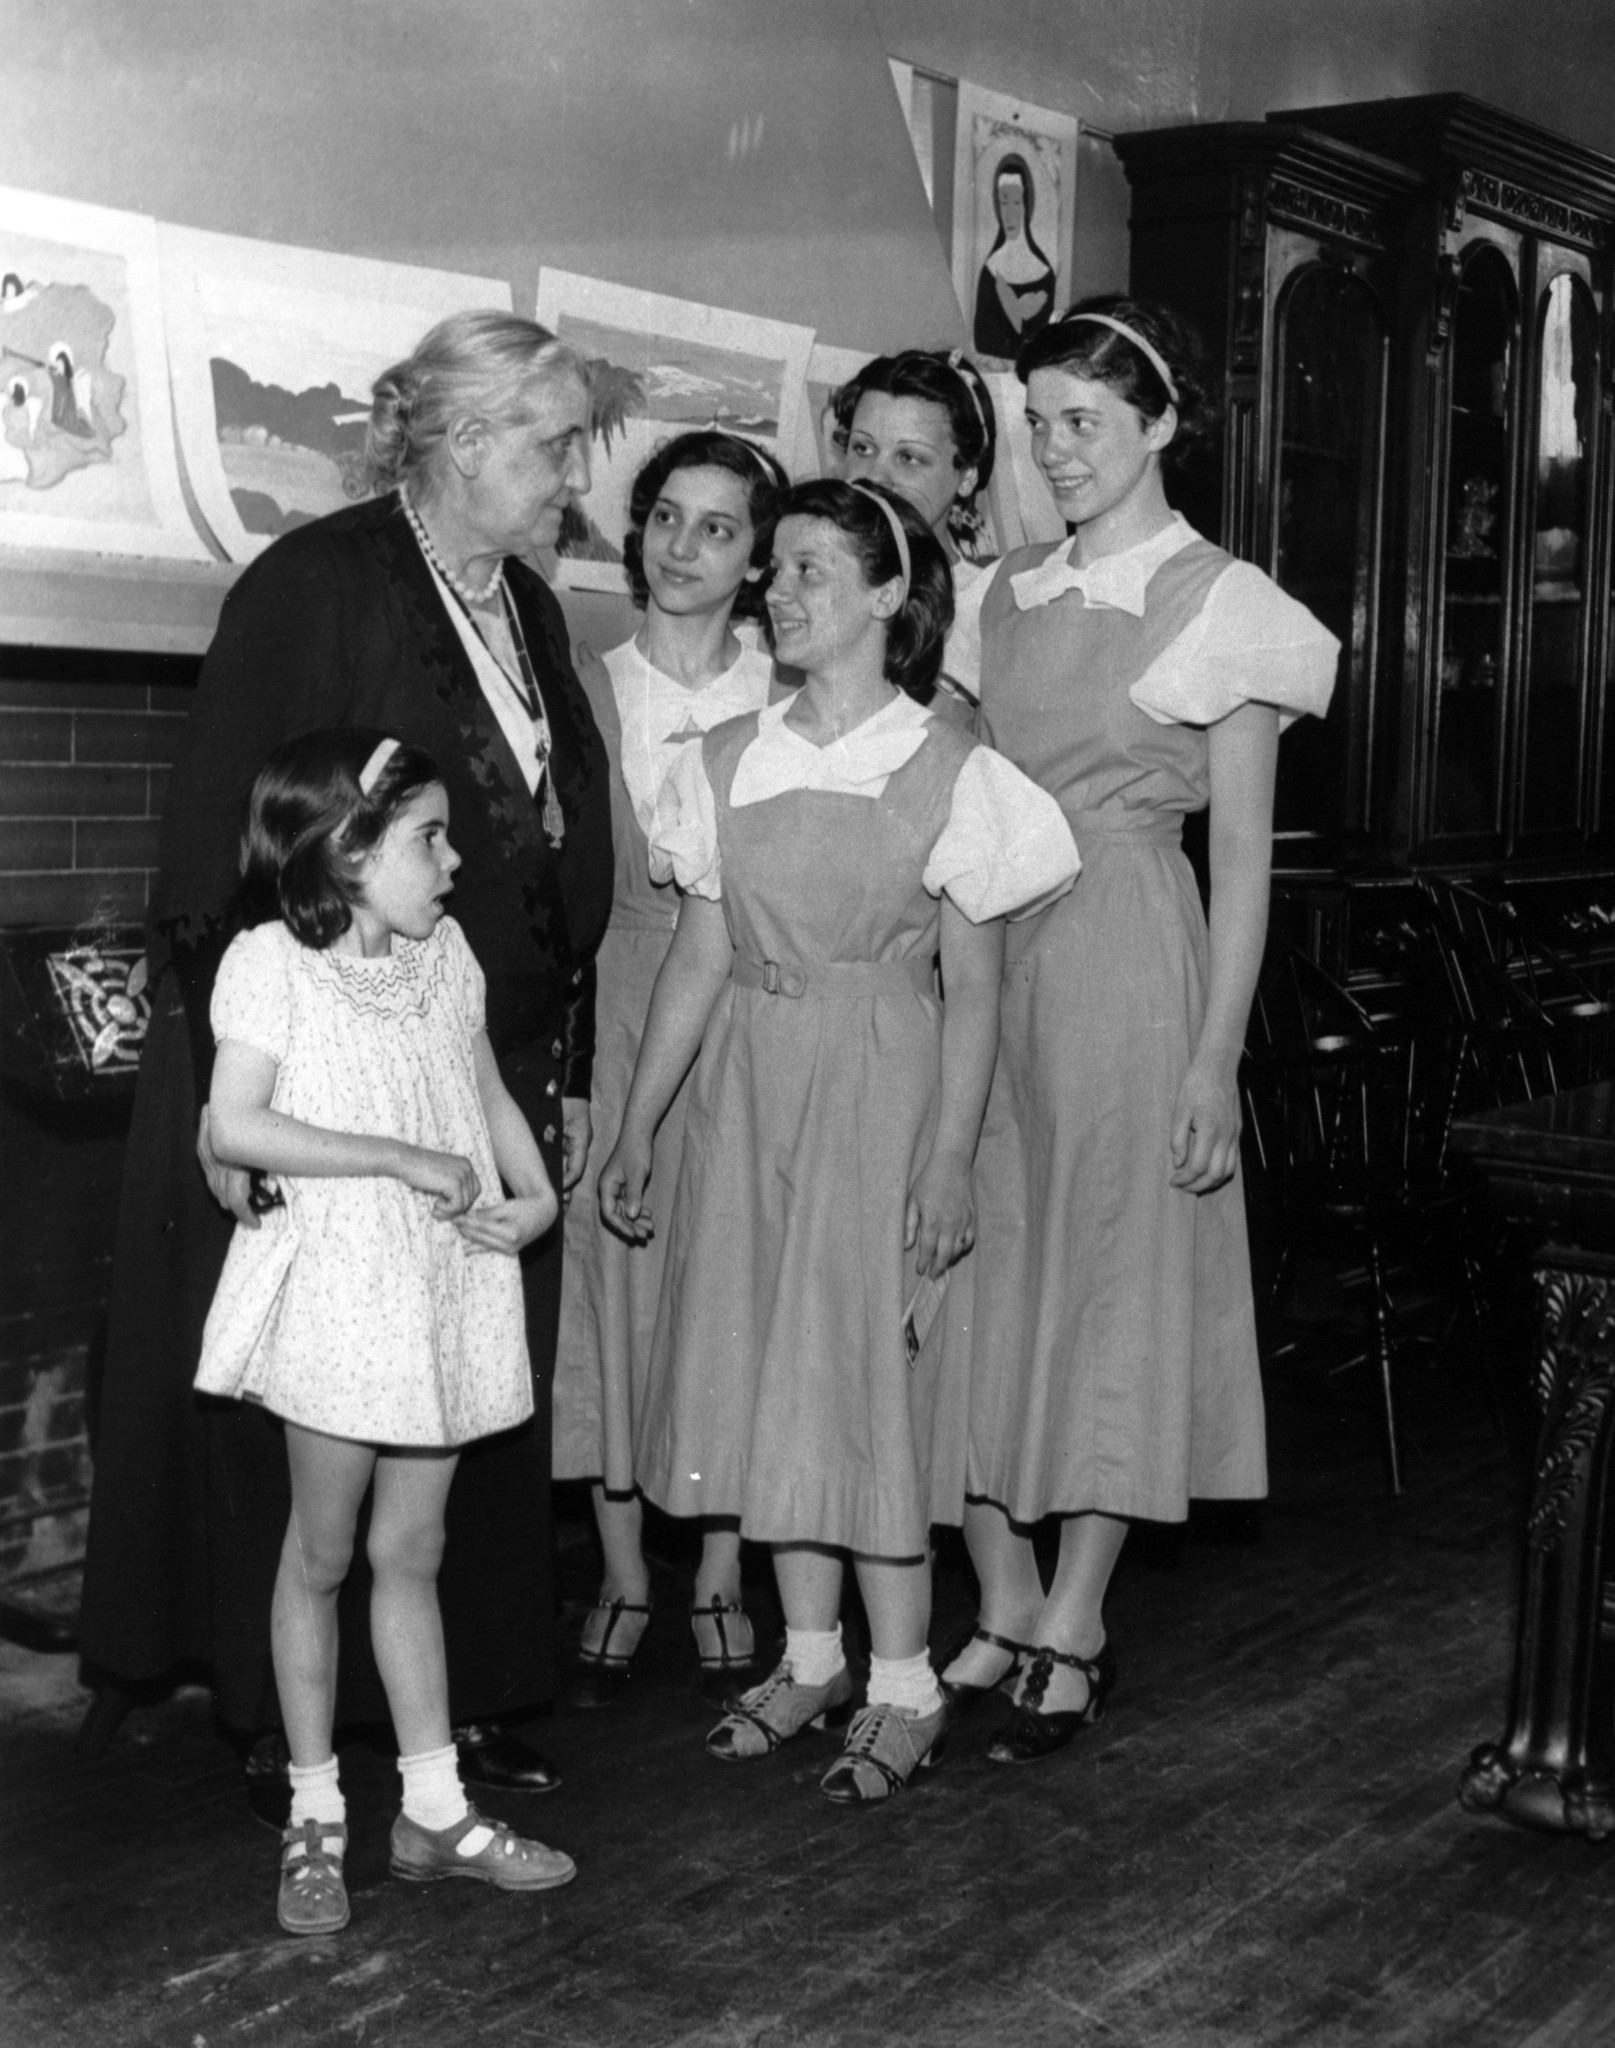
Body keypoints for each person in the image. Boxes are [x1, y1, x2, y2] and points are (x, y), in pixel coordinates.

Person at [77, 310, 613, 1808]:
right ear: (460, 438)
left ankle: (473, 1696)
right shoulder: (314, 585)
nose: (576, 474)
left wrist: (547, 1061)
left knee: (466, 1382)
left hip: (474, 1064)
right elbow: (223, 857)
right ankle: (284, 1719)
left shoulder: (527, 605)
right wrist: (228, 1104)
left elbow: (548, 834)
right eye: (555, 439)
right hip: (323, 1079)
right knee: (313, 1402)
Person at [597, 480, 1079, 1803]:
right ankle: (807, 1658)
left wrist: (945, 1160)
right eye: (780, 570)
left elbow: (972, 990)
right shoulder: (721, 761)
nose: (779, 590)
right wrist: (637, 1124)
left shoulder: (951, 771)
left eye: (812, 570)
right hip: (747, 1089)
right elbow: (699, 954)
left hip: (881, 1092)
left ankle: (902, 1683)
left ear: (886, 597)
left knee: (864, 1385)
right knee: (765, 1374)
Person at [932, 296, 1338, 1762]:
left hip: (1128, 950)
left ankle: (1079, 1610)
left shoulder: (1222, 603)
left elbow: (1239, 862)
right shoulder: (1005, 595)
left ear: (1161, 424)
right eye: (1039, 426)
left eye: (1086, 423)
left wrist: (1212, 1058)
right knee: (978, 1255)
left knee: (1112, 1269)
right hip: (992, 949)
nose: (1059, 451)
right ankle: (1000, 1588)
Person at [199, 730, 574, 1932]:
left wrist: (538, 1194)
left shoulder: (443, 949)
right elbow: (239, 1126)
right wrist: (396, 1155)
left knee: (413, 1552)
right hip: (340, 1291)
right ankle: (316, 1812)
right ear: (349, 851)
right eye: (429, 838)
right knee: (320, 1553)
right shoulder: (270, 963)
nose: (454, 862)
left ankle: (431, 1807)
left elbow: (484, 1085)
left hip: (438, 1284)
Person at [554, 428, 786, 1703]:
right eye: (666, 519)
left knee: (732, 1275)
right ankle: (624, 1566)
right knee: (615, 1276)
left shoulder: (790, 690)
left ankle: (719, 1563)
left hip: (749, 1010)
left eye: (719, 528)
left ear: (757, 559)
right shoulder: (591, 687)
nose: (685, 548)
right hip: (626, 998)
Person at [834, 348, 999, 704]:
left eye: (909, 457)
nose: (876, 476)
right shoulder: (809, 575)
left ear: (967, 476)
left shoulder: (990, 602)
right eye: (863, 448)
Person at [972, 156, 1056, 363]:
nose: (1009, 214)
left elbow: (1044, 345)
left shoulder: (1044, 274)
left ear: (1026, 205)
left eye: (1016, 202)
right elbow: (982, 341)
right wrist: (1017, 311)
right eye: (1003, 202)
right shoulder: (990, 271)